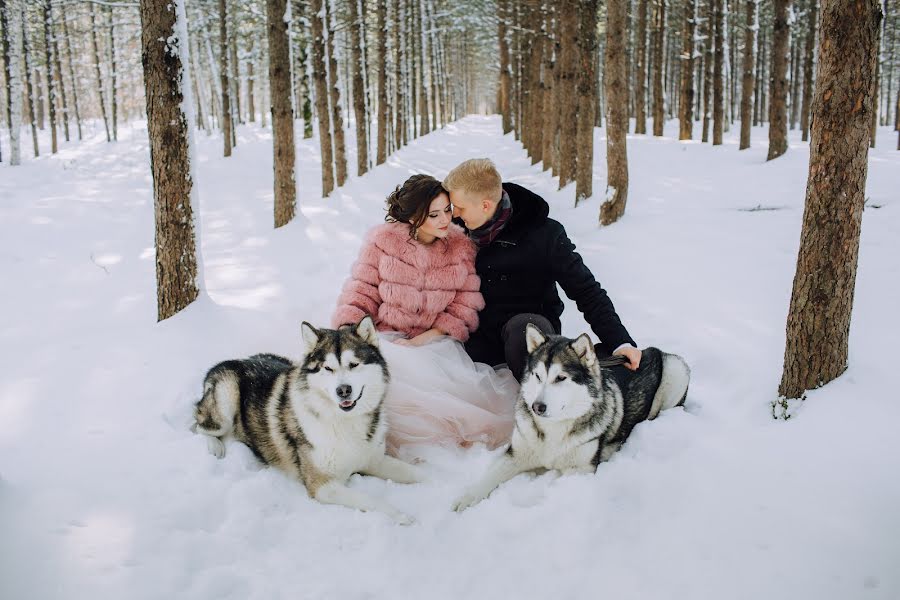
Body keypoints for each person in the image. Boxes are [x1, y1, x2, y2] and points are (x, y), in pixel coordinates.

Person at [332, 174, 516, 457]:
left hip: (434, 343)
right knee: (378, 377)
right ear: (414, 217)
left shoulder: (460, 247)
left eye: (447, 211)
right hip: (384, 335)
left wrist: (422, 341)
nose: (445, 220)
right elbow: (361, 291)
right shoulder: (383, 242)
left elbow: (463, 306)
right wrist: (348, 334)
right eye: (434, 214)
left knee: (458, 404)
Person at [443, 158, 642, 383]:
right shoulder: (459, 232)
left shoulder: (544, 234)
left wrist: (619, 342)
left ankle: (542, 404)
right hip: (478, 338)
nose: (454, 214)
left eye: (459, 207)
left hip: (529, 339)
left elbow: (586, 291)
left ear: (485, 205)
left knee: (524, 329)